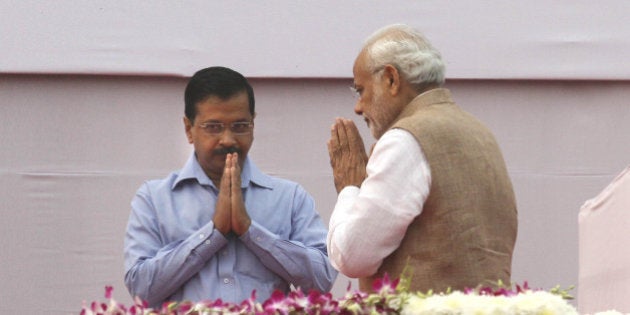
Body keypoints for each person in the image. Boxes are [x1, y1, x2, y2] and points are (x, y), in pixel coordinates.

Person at [326, 24, 518, 294]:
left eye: (361, 90)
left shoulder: (404, 140)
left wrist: (349, 188)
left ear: (391, 79)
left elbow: (352, 256)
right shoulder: (481, 134)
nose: (358, 108)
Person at [124, 66, 337, 308]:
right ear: (188, 129)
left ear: (253, 125)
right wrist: (213, 234)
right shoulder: (154, 199)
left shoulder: (289, 198)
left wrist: (250, 232)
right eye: (213, 127)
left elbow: (323, 280)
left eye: (239, 126)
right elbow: (141, 289)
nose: (228, 139)